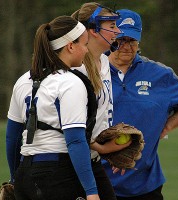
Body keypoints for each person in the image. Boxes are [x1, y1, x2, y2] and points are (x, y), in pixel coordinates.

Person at [103, 9, 178, 200]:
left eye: (132, 40)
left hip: (145, 185)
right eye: (121, 40)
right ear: (111, 37)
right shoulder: (94, 69)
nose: (126, 46)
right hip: (99, 182)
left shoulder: (159, 74)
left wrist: (167, 126)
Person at [5, 15, 101, 200]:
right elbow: (75, 141)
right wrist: (91, 191)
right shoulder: (70, 82)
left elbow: (13, 137)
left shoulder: (24, 80)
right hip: (57, 175)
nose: (87, 50)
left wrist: (14, 178)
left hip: (25, 173)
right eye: (84, 44)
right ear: (70, 46)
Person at [71, 2, 130, 200]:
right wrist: (102, 148)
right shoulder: (77, 70)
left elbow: (100, 116)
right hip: (72, 164)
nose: (118, 31)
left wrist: (108, 150)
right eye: (112, 26)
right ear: (94, 30)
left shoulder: (104, 61)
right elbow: (70, 128)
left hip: (93, 159)